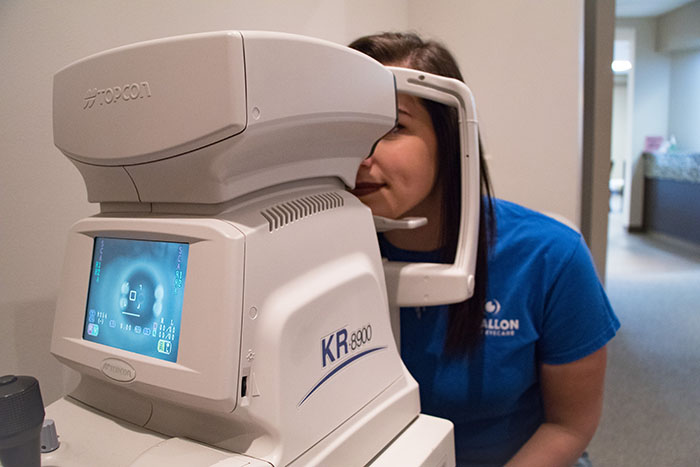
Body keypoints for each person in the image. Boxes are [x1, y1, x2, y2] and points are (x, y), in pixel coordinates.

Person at [348, 32, 620, 467]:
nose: (362, 154)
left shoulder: (549, 257)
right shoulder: (321, 259)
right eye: (347, 129)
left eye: (393, 127)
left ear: (451, 137)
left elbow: (570, 425)